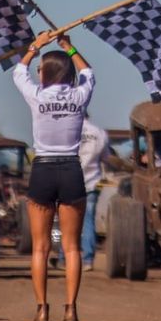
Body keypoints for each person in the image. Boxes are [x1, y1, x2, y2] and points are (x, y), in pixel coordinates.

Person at [13, 30, 94, 321]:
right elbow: (89, 73)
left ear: (46, 72)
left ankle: (41, 311)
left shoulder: (36, 96)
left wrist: (36, 46)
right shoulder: (79, 96)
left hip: (43, 170)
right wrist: (69, 48)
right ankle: (71, 311)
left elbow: (19, 71)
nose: (37, 71)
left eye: (41, 69)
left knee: (40, 248)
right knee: (72, 248)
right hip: (71, 170)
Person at [54, 113, 110, 272]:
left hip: (68, 182)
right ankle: (87, 260)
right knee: (88, 221)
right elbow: (106, 158)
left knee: (66, 222)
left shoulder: (64, 131)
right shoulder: (99, 133)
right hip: (92, 183)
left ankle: (63, 258)